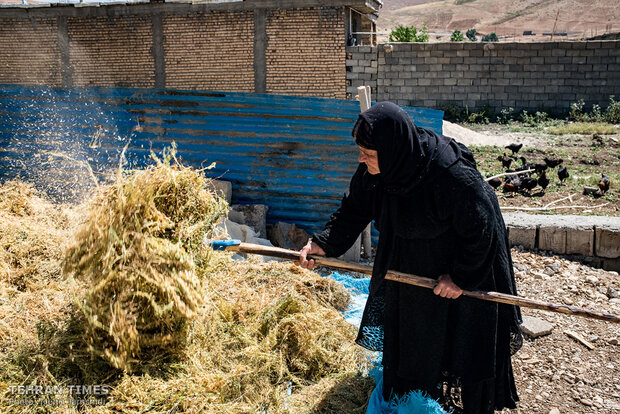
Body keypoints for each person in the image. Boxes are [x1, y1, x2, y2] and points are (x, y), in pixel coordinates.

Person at [298, 102, 522, 413]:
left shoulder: (450, 174)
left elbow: (482, 228)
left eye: (369, 153)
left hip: (467, 256)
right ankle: (416, 399)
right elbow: (353, 210)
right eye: (360, 149)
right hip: (412, 256)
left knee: (465, 338)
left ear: (393, 152)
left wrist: (459, 277)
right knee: (415, 332)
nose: (361, 159)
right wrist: (324, 244)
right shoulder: (378, 171)